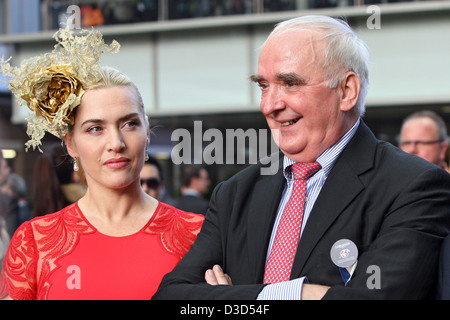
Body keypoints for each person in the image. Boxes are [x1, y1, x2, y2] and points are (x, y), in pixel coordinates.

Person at [153, 15, 450, 300]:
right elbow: (170, 295)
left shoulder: (414, 187)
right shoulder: (234, 194)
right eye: (263, 86)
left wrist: (227, 297)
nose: (270, 105)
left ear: (346, 91)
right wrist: (303, 293)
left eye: (290, 83)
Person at [0, 28, 204, 300]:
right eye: (95, 128)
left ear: (147, 133)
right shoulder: (34, 241)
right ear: (71, 144)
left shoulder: (198, 234)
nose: (116, 142)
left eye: (129, 124)